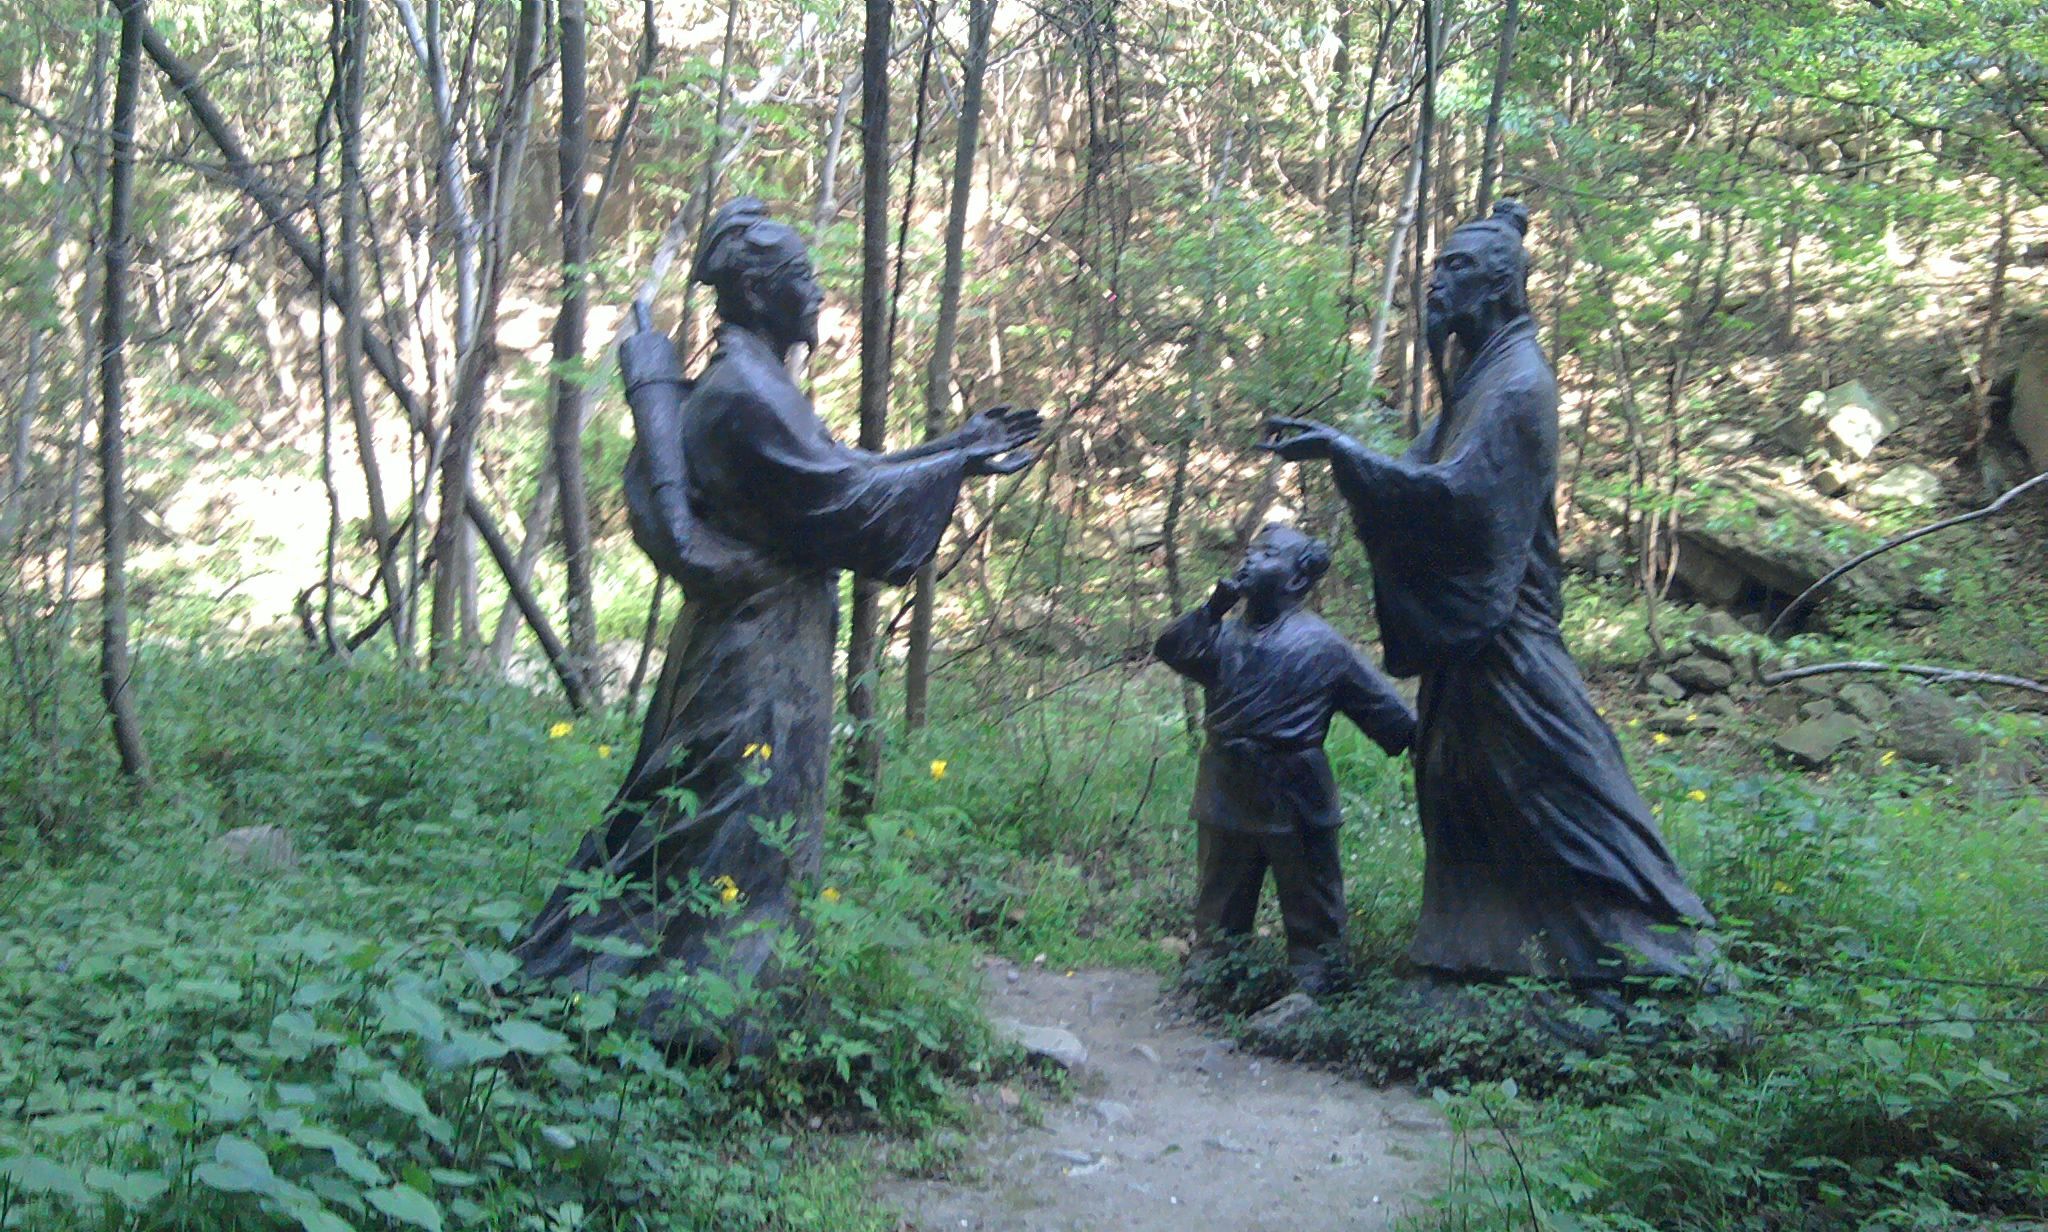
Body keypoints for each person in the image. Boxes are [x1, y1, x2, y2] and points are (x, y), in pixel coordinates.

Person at [512, 198, 1041, 1046]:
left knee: (734, 814)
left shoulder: (756, 384)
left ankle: (704, 1002)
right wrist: (955, 459)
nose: (818, 291)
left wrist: (949, 447)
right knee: (727, 819)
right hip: (753, 653)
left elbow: (835, 473)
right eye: (801, 276)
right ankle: (706, 1015)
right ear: (757, 291)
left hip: (762, 635)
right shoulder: (744, 393)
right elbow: (834, 498)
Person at [1258, 200, 1713, 985]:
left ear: (1501, 286)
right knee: (1462, 790)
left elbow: (1459, 499)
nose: (1435, 283)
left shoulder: (1518, 383)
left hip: (1509, 638)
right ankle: (1473, 963)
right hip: (1472, 649)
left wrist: (1345, 457)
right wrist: (1353, 453)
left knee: (1568, 790)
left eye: (1455, 269)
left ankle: (1667, 963)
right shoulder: (1476, 376)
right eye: (1435, 267)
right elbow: (1420, 463)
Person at [1154, 522, 1416, 995]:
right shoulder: (1222, 635)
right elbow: (1172, 649)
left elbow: (1395, 720)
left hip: (1294, 792)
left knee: (1309, 899)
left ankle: (1316, 984)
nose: (1250, 560)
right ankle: (1214, 971)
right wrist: (1213, 608)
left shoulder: (1323, 646)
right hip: (1225, 786)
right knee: (1221, 893)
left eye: (1267, 554)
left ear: (1297, 580)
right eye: (1251, 551)